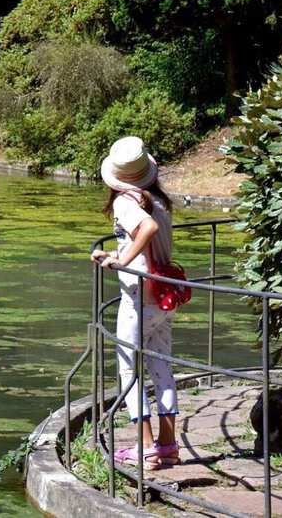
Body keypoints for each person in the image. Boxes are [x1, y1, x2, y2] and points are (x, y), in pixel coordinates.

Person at [89, 136, 180, 470]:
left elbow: (146, 229)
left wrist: (122, 258)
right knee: (162, 368)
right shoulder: (157, 201)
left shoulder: (128, 204)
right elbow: (150, 243)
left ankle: (146, 450)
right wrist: (115, 255)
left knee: (129, 371)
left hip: (138, 299)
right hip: (162, 297)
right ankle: (168, 445)